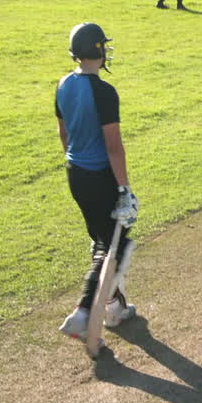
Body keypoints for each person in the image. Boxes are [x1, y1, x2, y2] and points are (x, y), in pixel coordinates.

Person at [56, 23, 140, 339]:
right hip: (100, 176)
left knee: (102, 240)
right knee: (116, 246)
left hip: (75, 175)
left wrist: (76, 163)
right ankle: (83, 311)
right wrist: (123, 189)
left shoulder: (63, 84)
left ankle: (116, 309)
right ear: (98, 50)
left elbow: (64, 134)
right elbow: (113, 145)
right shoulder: (103, 91)